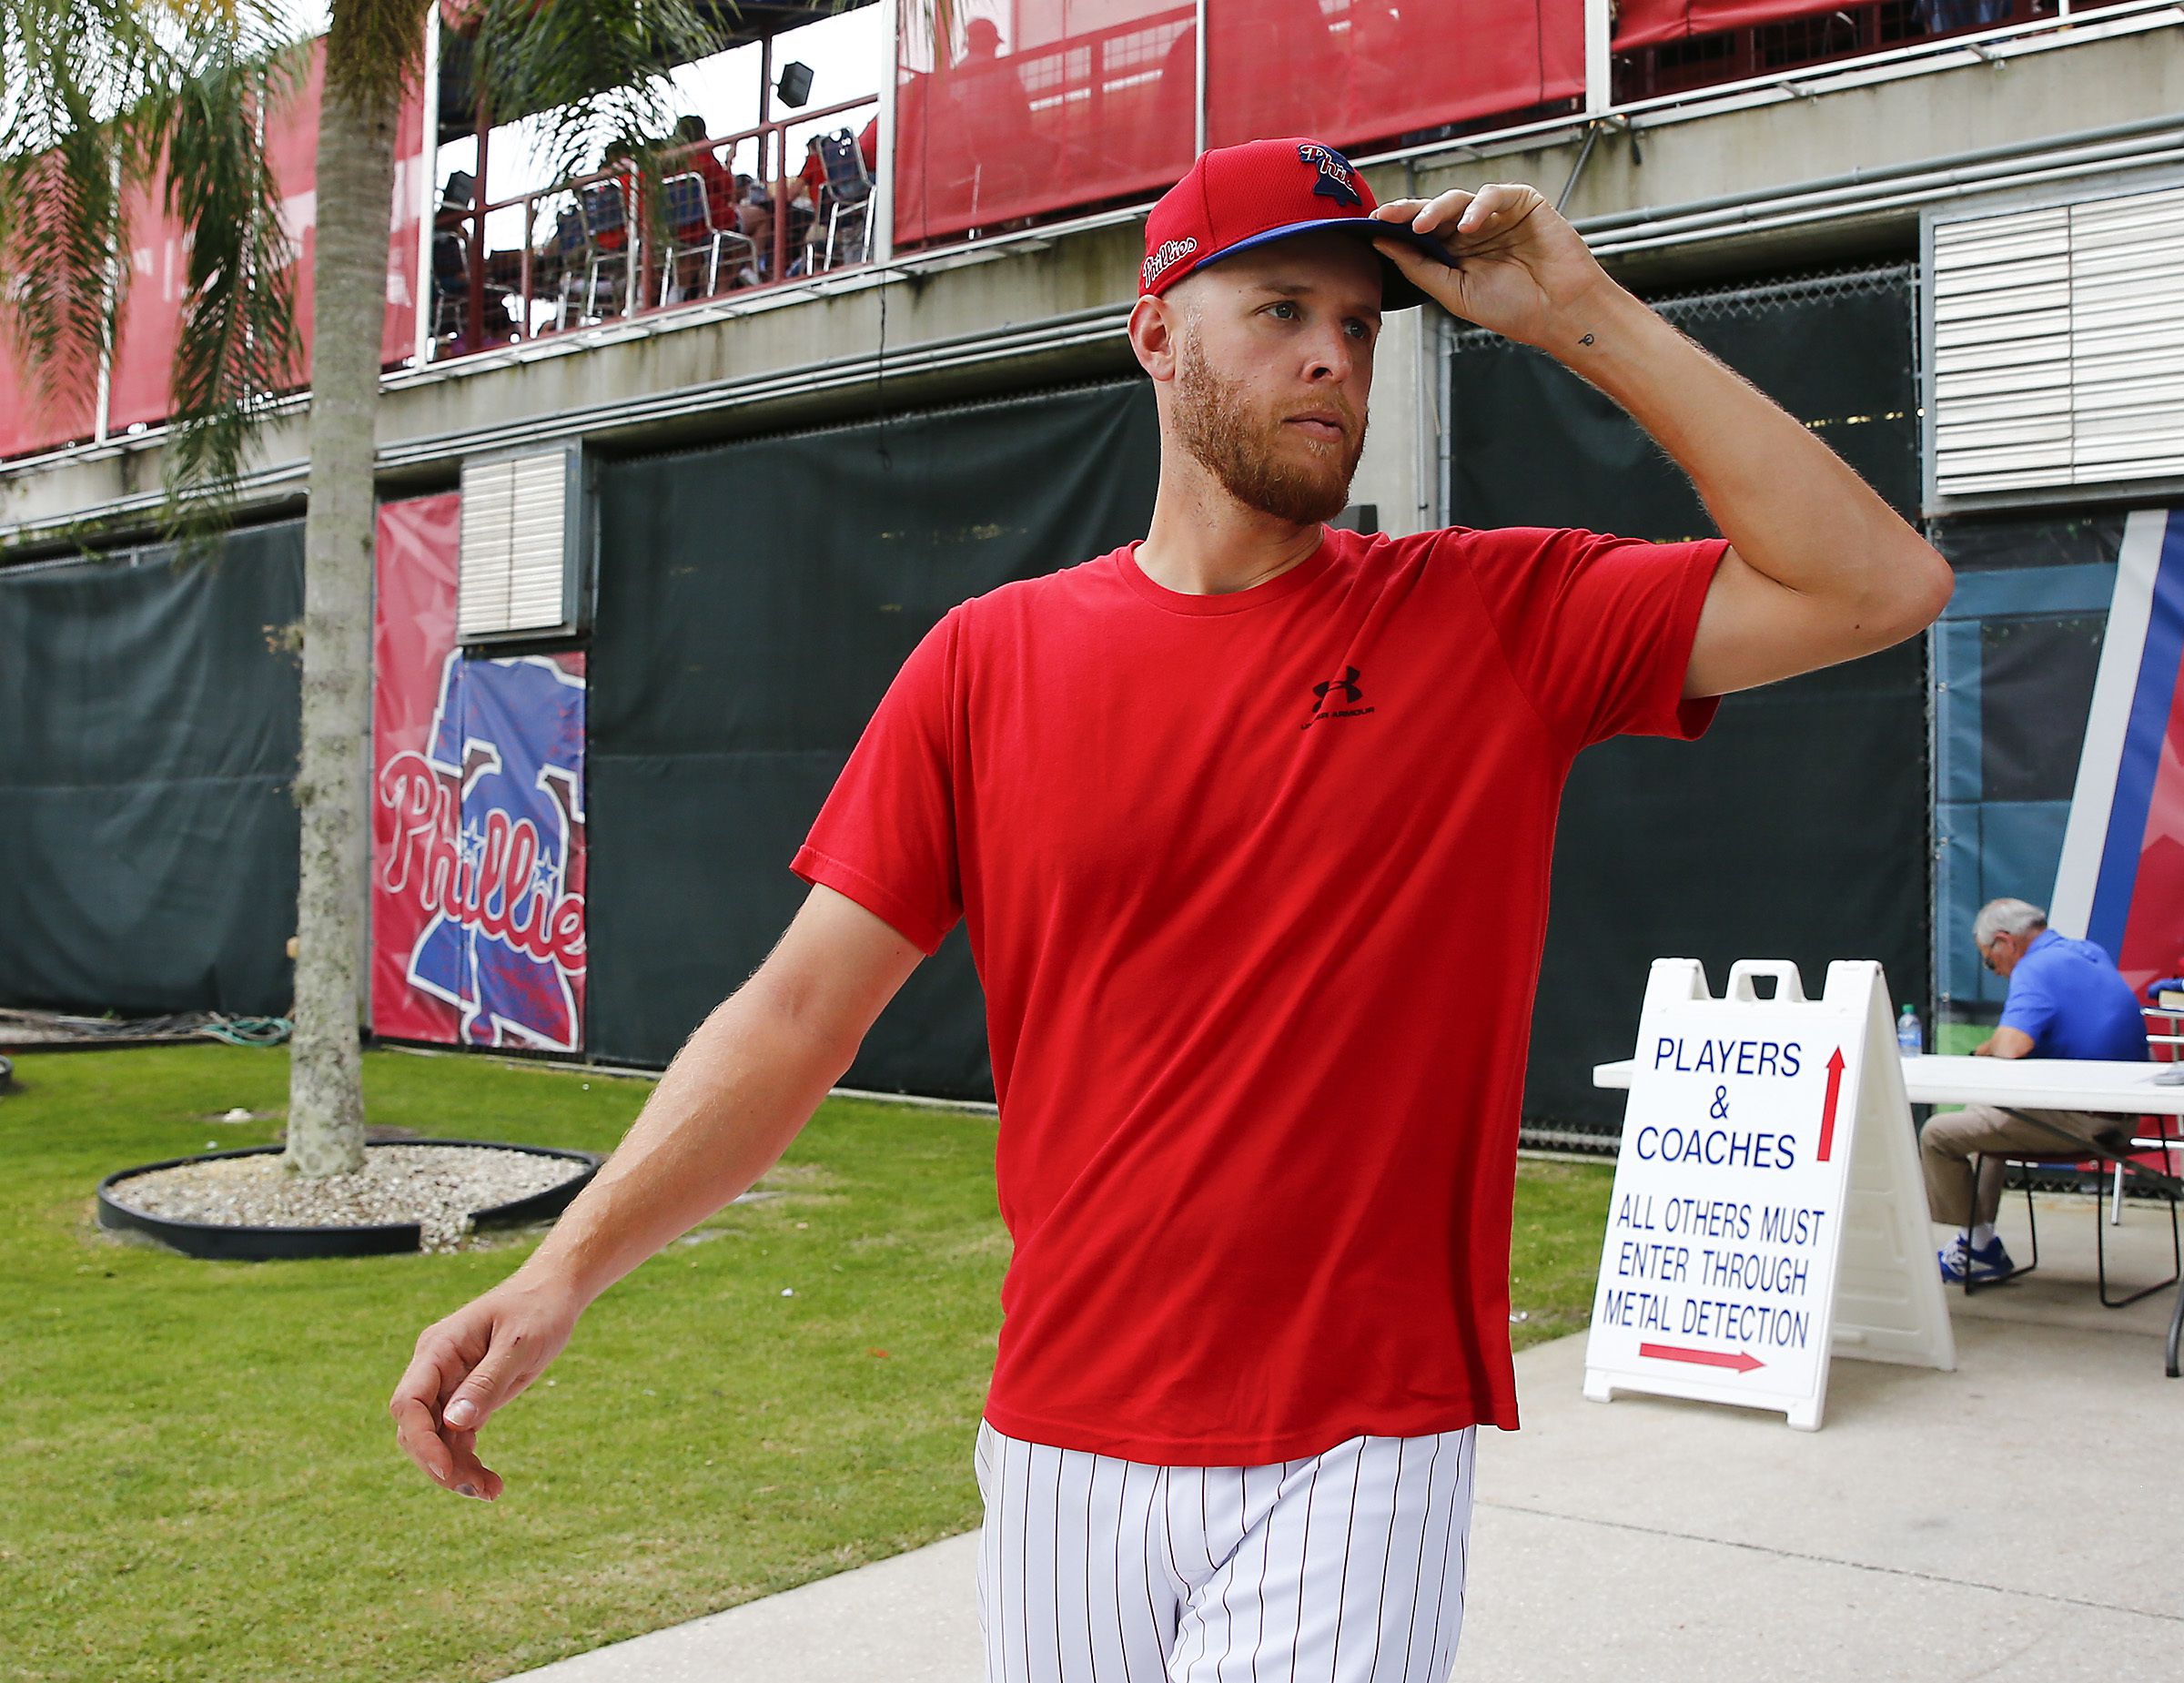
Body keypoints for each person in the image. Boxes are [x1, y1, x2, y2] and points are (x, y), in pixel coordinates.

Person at [389, 137, 1954, 1678]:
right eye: (1281, 309)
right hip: (1063, 1435)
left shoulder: (1490, 617)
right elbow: (798, 1012)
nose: (1334, 358)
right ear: (1156, 330)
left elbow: (1874, 585)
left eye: (1358, 325)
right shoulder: (987, 664)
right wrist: (561, 1266)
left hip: (1363, 1437)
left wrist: (1572, 308)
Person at [1922, 897, 2149, 1283]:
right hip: (2126, 1116)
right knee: (1986, 1111)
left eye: (1989, 962)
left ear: (2005, 942)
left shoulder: (2034, 968)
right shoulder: (2089, 951)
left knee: (1936, 1135)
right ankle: (1975, 1242)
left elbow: (2011, 1046)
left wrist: (1985, 1048)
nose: (1995, 973)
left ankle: (1977, 1244)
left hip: (2085, 1123)